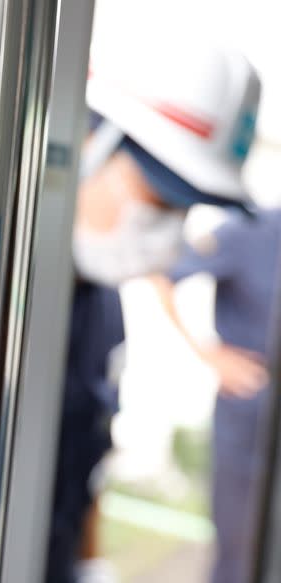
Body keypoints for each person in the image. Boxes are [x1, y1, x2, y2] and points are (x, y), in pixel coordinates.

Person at [48, 40, 262, 583]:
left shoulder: (99, 303)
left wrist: (85, 563)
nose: (169, 240)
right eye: (161, 201)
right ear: (88, 142)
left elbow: (78, 458)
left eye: (186, 210)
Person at [150, 208, 281, 583]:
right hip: (249, 417)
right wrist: (209, 353)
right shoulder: (247, 231)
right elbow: (163, 272)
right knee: (240, 549)